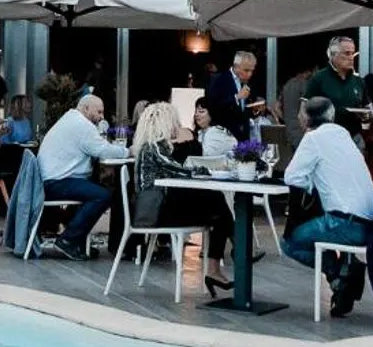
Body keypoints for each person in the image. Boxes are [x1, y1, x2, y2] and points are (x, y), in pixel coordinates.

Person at [126, 100, 237, 298]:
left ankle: (221, 261)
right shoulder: (155, 148)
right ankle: (230, 254)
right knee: (217, 203)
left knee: (216, 207)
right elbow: (180, 171)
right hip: (156, 214)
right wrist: (208, 171)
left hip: (157, 208)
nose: (177, 126)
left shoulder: (149, 146)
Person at [282, 96, 373, 317]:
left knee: (290, 243)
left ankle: (337, 276)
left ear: (306, 118)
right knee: (320, 234)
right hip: (369, 224)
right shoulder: (344, 136)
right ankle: (343, 274)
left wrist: (312, 184)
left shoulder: (313, 139)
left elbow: (292, 177)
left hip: (343, 223)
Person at [34, 94, 129, 259]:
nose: (102, 117)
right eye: (99, 112)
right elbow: (102, 150)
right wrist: (128, 151)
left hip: (51, 179)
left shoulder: (71, 119)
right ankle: (68, 241)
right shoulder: (82, 125)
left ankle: (78, 241)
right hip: (56, 182)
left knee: (92, 188)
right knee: (102, 195)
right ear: (86, 109)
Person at [303, 36, 370, 134]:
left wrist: (366, 115)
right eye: (347, 53)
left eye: (353, 53)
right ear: (333, 55)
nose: (351, 57)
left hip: (354, 138)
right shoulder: (319, 78)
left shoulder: (358, 81)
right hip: (327, 138)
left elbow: (366, 109)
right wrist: (311, 135)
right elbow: (303, 111)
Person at [204, 49, 264, 141]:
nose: (250, 74)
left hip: (244, 135)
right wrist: (236, 97)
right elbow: (214, 107)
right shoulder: (219, 80)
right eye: (246, 70)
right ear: (236, 66)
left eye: (252, 70)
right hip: (224, 135)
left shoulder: (250, 82)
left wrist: (255, 108)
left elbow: (245, 109)